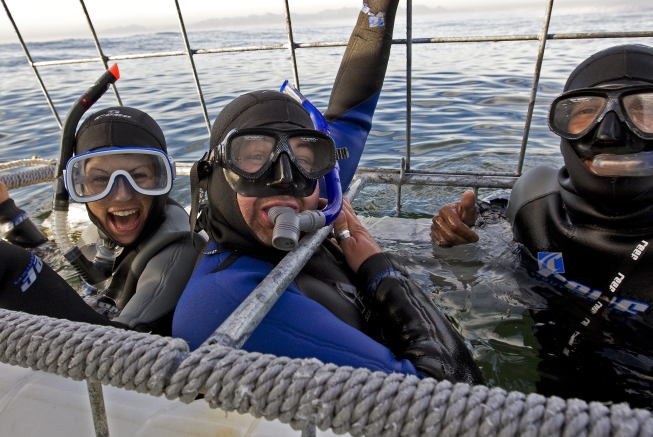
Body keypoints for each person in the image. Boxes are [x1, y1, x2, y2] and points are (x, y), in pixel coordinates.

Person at [172, 0, 482, 383]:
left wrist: (378, 6)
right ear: (215, 174)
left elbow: (351, 113)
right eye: (254, 156)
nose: (285, 177)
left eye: (305, 156)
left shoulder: (317, 191)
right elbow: (452, 396)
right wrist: (376, 265)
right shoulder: (224, 300)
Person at [430, 44, 653, 408]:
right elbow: (490, 221)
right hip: (552, 396)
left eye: (647, 111)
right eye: (584, 112)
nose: (609, 132)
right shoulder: (535, 203)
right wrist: (459, 234)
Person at [0, 106, 201, 336]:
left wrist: (2, 266)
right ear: (78, 185)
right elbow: (63, 269)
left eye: (139, 177)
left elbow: (123, 349)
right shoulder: (100, 234)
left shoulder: (176, 250)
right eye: (100, 179)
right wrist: (6, 213)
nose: (121, 195)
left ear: (163, 179)